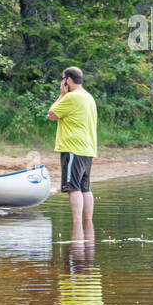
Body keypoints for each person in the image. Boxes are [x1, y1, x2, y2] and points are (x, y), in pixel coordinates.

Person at [47, 66, 98, 241]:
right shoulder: (88, 97)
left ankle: (77, 225)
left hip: (73, 148)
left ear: (67, 80)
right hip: (88, 148)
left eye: (63, 79)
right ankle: (88, 226)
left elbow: (51, 115)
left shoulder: (71, 97)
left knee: (73, 187)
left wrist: (62, 94)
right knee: (85, 187)